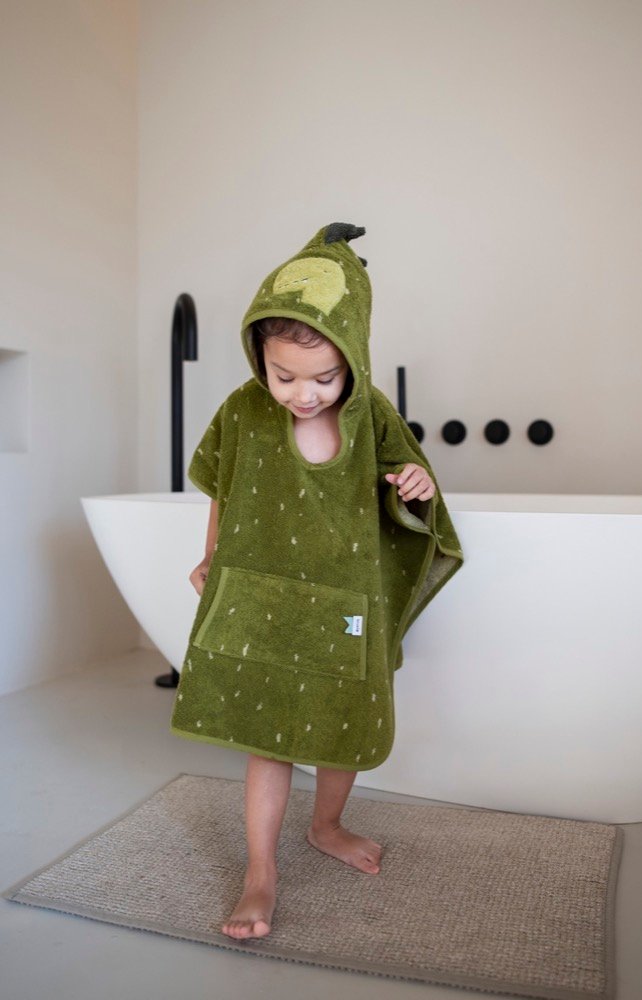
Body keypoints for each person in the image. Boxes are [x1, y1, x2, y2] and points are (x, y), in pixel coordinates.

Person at [170, 222, 464, 941]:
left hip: (342, 603)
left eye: (324, 377)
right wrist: (210, 555)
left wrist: (417, 484)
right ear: (259, 361)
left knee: (340, 727)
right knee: (267, 736)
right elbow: (224, 487)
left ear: (353, 361)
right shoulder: (243, 411)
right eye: (284, 376)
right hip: (264, 595)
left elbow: (409, 493)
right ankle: (259, 872)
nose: (303, 394)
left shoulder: (373, 417)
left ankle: (326, 825)